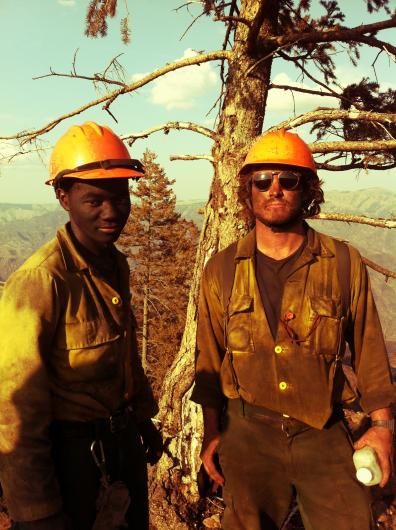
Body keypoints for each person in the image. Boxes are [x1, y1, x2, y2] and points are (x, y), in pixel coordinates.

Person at [191, 129, 395, 530]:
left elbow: (370, 352)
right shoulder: (222, 269)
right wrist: (213, 434)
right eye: (263, 181)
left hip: (322, 428)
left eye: (289, 180)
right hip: (247, 433)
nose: (275, 190)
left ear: (308, 190)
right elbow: (209, 362)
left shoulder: (341, 262)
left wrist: (384, 427)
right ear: (248, 191)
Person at [0, 122, 162, 530]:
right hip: (69, 461)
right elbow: (13, 409)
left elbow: (122, 355)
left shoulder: (114, 264)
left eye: (120, 197)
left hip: (118, 449)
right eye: (95, 200)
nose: (112, 212)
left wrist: (142, 419)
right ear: (63, 197)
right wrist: (36, 511)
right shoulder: (42, 281)